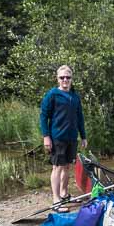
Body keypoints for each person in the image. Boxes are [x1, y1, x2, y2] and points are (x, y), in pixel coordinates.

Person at [40, 64, 87, 212]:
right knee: (57, 167)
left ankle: (64, 193)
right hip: (57, 137)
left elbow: (80, 117)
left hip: (72, 137)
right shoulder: (52, 94)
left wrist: (83, 136)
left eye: (68, 77)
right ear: (57, 79)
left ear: (72, 79)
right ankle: (56, 200)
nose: (65, 80)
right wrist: (46, 137)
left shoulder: (74, 96)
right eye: (62, 77)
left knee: (67, 166)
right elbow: (43, 116)